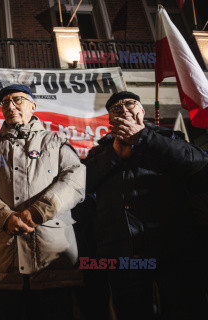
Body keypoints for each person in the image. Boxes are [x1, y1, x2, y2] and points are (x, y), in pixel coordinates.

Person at [84, 91, 208, 320]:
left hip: (174, 248)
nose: (123, 109)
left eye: (130, 104)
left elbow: (199, 163)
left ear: (142, 111)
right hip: (121, 251)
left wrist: (144, 138)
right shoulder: (98, 153)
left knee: (184, 308)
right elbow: (81, 185)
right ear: (110, 120)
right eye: (116, 109)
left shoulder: (170, 139)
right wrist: (115, 155)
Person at [0, 84, 85, 320]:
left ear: (33, 105)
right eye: (5, 103)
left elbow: (75, 179)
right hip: (4, 257)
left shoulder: (55, 141)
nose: (10, 106)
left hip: (51, 256)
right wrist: (5, 217)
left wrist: (39, 212)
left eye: (17, 100)